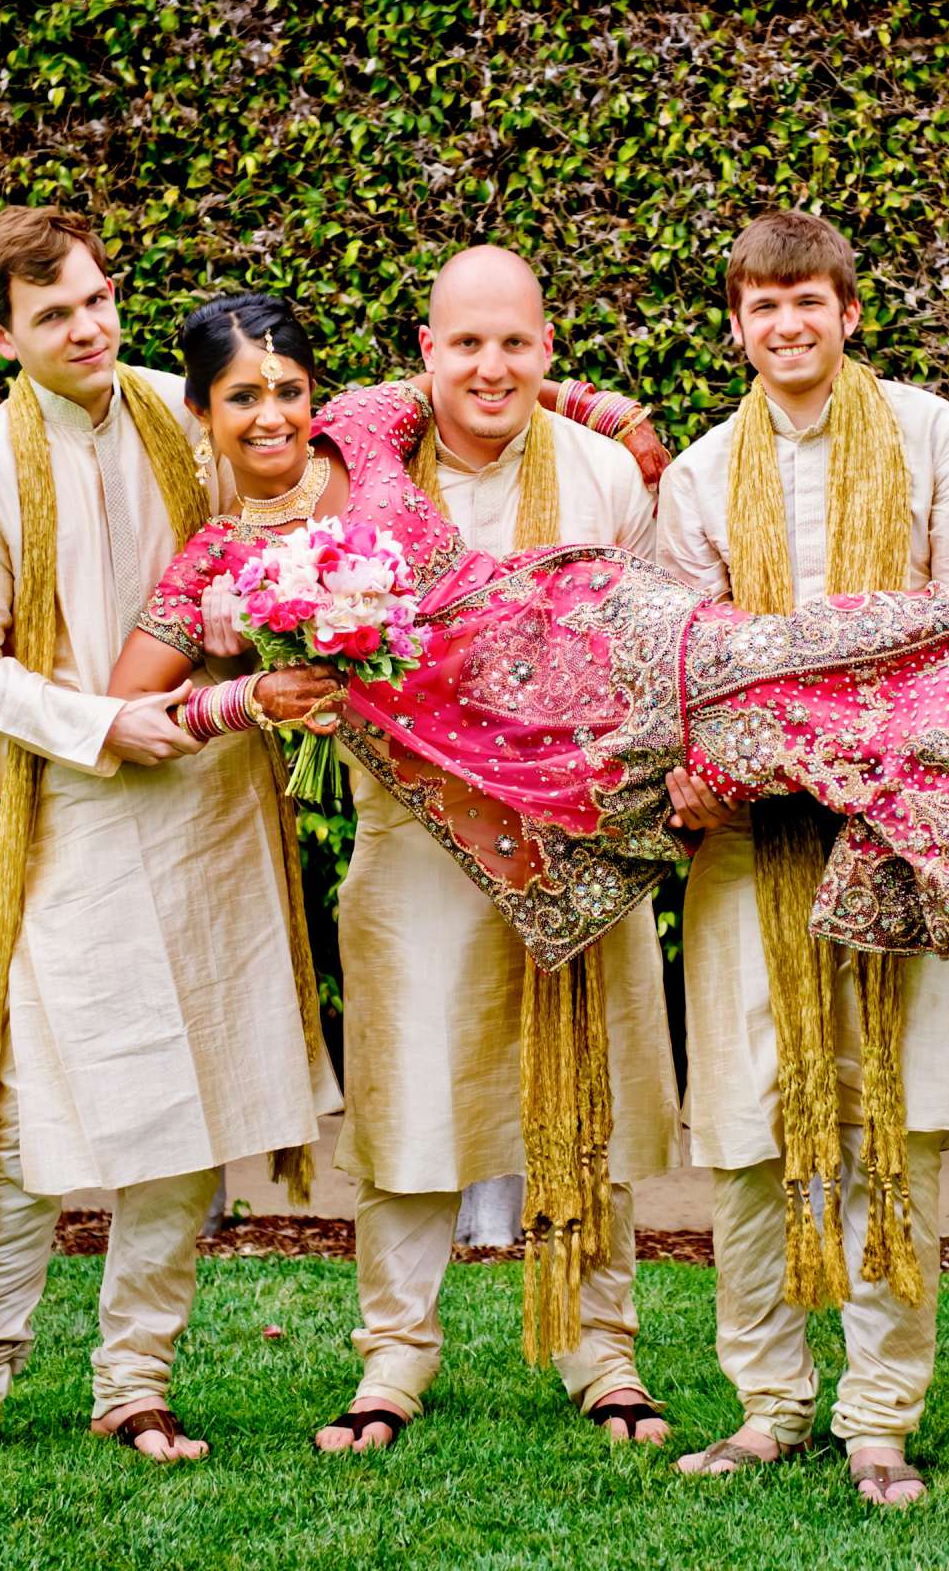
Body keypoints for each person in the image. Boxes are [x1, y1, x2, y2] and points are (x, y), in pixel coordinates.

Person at [111, 294, 949, 1394]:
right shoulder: (215, 564)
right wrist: (254, 690)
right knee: (790, 722)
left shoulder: (363, 424)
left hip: (596, 632)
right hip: (517, 772)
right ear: (200, 413)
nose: (272, 415)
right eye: (243, 399)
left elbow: (479, 376)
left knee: (792, 664)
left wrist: (612, 411)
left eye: (286, 390)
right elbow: (132, 707)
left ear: (317, 391)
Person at [0, 206, 341, 1470]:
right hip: (82, 800)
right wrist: (97, 723)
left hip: (216, 799)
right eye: (51, 317)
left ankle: (135, 1382)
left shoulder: (180, 409)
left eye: (94, 300)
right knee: (37, 1107)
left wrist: (284, 635)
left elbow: (293, 489)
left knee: (189, 1109)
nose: (85, 329)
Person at [650, 210, 949, 1507]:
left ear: (850, 312)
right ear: (737, 323)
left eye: (810, 301)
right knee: (750, 1131)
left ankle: (878, 1417)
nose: (788, 325)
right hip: (757, 850)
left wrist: (889, 752)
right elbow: (688, 664)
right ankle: (766, 1401)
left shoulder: (934, 437)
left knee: (888, 1129)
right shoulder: (698, 475)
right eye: (763, 306)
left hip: (897, 842)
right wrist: (728, 760)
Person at [302, 250, 684, 1454]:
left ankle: (600, 1347)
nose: (491, 366)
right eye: (467, 343)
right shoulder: (356, 479)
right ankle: (394, 1355)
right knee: (408, 1090)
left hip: (578, 837)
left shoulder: (600, 473)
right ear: (426, 350)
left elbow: (652, 647)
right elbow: (295, 612)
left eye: (514, 343)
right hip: (413, 838)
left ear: (548, 348)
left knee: (593, 1095)